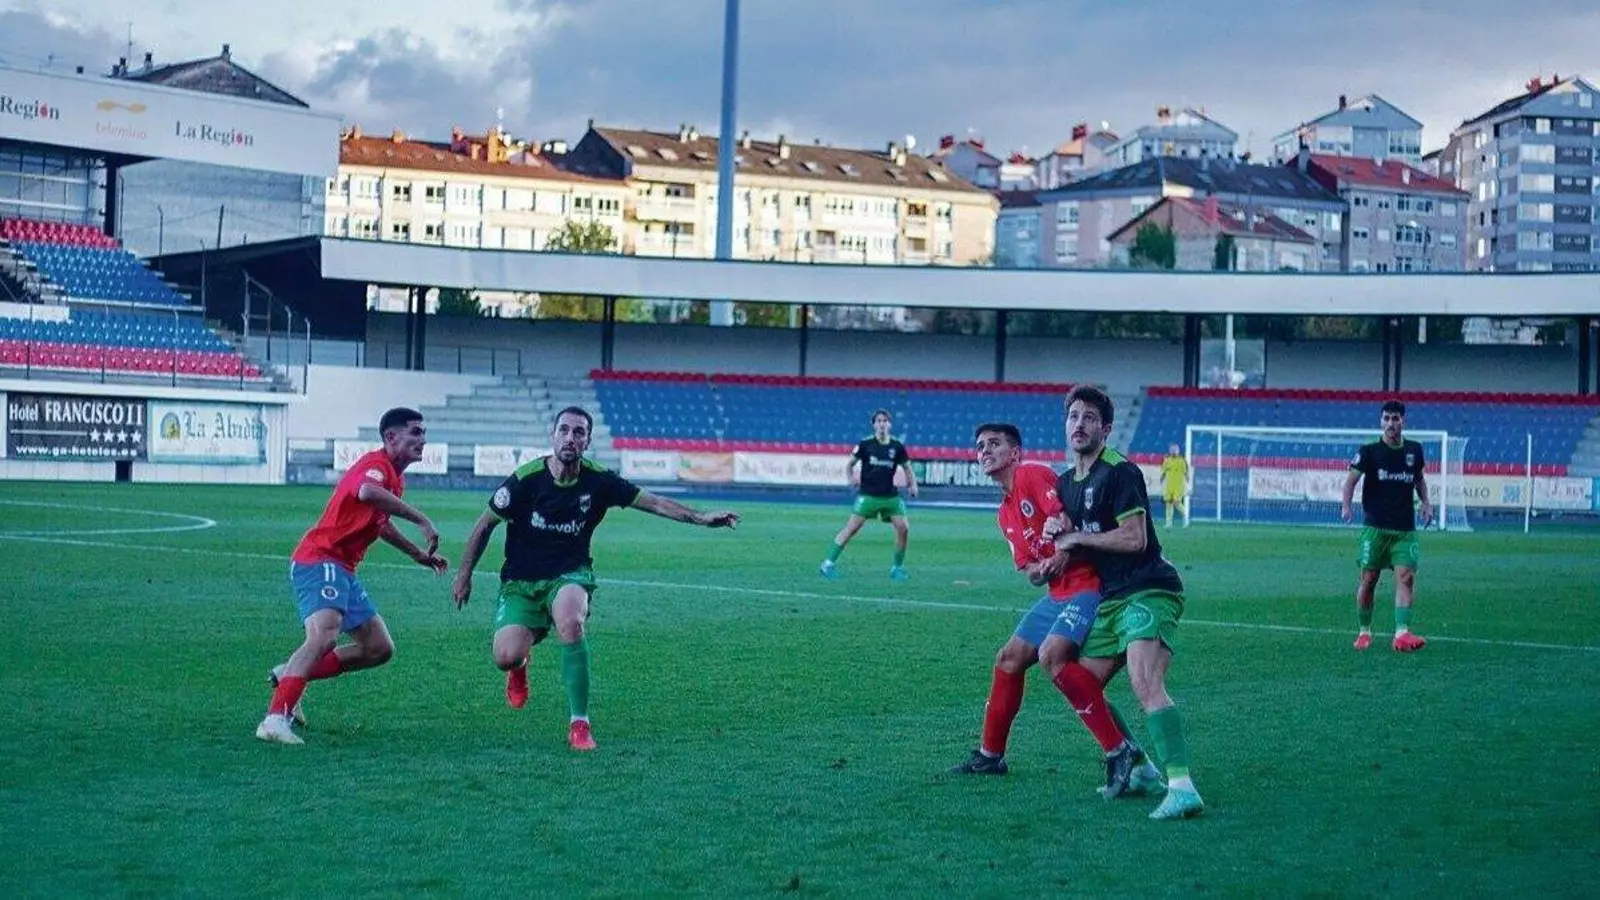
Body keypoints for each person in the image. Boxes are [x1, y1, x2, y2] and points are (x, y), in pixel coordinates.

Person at [452, 406, 740, 751]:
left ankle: (580, 724)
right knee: (506, 656)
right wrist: (464, 575)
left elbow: (655, 503)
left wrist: (701, 518)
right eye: (564, 430)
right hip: (521, 580)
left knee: (571, 622)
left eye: (578, 432)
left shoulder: (599, 481)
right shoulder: (525, 480)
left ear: (587, 441)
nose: (570, 438)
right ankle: (520, 664)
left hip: (570, 573)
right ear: (553, 435)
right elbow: (485, 524)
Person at [949, 423, 1165, 800]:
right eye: (980, 446)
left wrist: (1061, 555)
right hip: (1057, 593)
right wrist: (1043, 569)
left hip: (1088, 585)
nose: (985, 451)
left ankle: (1120, 750)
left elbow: (1068, 520)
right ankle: (990, 756)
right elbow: (1031, 571)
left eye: (994, 444)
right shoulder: (1004, 513)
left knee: (1054, 656)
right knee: (1008, 659)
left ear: (1015, 453)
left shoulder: (1032, 474)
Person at [1045, 386, 1205, 820]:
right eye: (1073, 416)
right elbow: (1071, 542)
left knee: (1144, 680)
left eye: (1089, 418)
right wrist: (1053, 552)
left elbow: (1135, 539)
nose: (1079, 424)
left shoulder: (1120, 471)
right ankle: (1139, 767)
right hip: (1111, 598)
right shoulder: (1064, 483)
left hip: (1148, 587)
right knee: (1081, 683)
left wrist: (1076, 537)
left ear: (1106, 429)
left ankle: (1182, 786)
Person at [257, 407, 448, 746]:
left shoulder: (395, 478)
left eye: (424, 433)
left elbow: (380, 523)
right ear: (391, 437)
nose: (423, 439)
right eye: (415, 432)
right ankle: (274, 719)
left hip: (342, 568)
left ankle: (289, 674)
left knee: (378, 648)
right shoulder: (376, 466)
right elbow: (367, 493)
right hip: (321, 559)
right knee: (324, 637)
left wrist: (417, 554)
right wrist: (422, 520)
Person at [1341, 400, 1432, 653]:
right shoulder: (1369, 450)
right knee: (1369, 580)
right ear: (1381, 421)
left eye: (1396, 418)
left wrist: (1426, 503)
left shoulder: (1414, 450)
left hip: (1405, 529)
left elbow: (1419, 480)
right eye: (1387, 418)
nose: (1391, 423)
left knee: (1406, 577)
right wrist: (1346, 506)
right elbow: (1350, 481)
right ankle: (1364, 631)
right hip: (1375, 528)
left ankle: (1402, 633)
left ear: (1403, 421)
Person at [820, 409, 919, 581]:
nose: (882, 424)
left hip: (890, 496)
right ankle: (827, 564)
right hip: (868, 496)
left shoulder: (897, 446)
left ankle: (897, 569)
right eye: (879, 421)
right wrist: (850, 478)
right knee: (851, 529)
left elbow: (907, 467)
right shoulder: (865, 444)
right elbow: (850, 464)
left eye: (885, 421)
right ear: (874, 425)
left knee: (903, 528)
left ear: (890, 424)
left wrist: (913, 485)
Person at [1159, 443, 1191, 528]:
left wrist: (1188, 485)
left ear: (1178, 451)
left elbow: (1186, 473)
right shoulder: (1167, 460)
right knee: (1168, 503)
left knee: (1176, 503)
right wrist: (1161, 480)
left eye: (1175, 450)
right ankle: (1168, 523)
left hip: (1178, 486)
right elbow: (1163, 472)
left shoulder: (1182, 461)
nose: (1173, 451)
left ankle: (1186, 518)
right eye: (1172, 450)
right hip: (1169, 485)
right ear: (1170, 451)